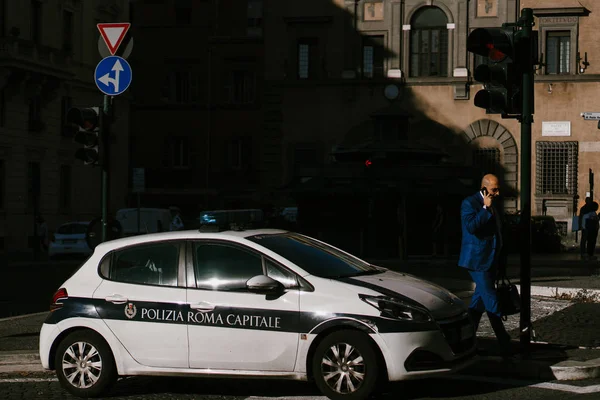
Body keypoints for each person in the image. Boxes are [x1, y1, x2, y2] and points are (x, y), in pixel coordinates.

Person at [458, 174, 513, 358]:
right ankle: (504, 343)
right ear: (484, 188)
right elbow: (471, 227)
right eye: (494, 189)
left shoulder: (493, 204)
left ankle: (464, 341)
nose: (497, 193)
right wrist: (485, 208)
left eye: (498, 189)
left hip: (491, 259)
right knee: (492, 301)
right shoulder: (469, 203)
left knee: (478, 303)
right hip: (477, 260)